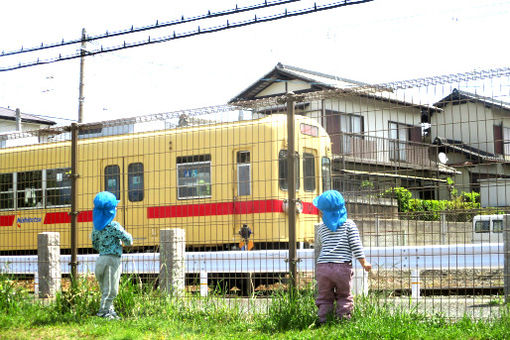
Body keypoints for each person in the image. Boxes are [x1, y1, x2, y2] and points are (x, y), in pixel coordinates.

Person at [313, 190, 371, 324]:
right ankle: (343, 320)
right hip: (342, 267)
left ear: (323, 212)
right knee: (344, 296)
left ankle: (323, 321)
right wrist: (364, 263)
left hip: (323, 267)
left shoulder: (321, 228)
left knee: (324, 296)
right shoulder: (349, 225)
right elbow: (356, 246)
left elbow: (321, 244)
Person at [91, 191, 133, 320]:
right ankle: (103, 313)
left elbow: (95, 243)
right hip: (112, 260)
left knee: (105, 289)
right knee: (112, 290)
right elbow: (128, 239)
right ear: (110, 211)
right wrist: (123, 242)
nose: (116, 208)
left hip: (101, 259)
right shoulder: (114, 226)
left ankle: (110, 311)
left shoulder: (95, 228)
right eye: (114, 207)